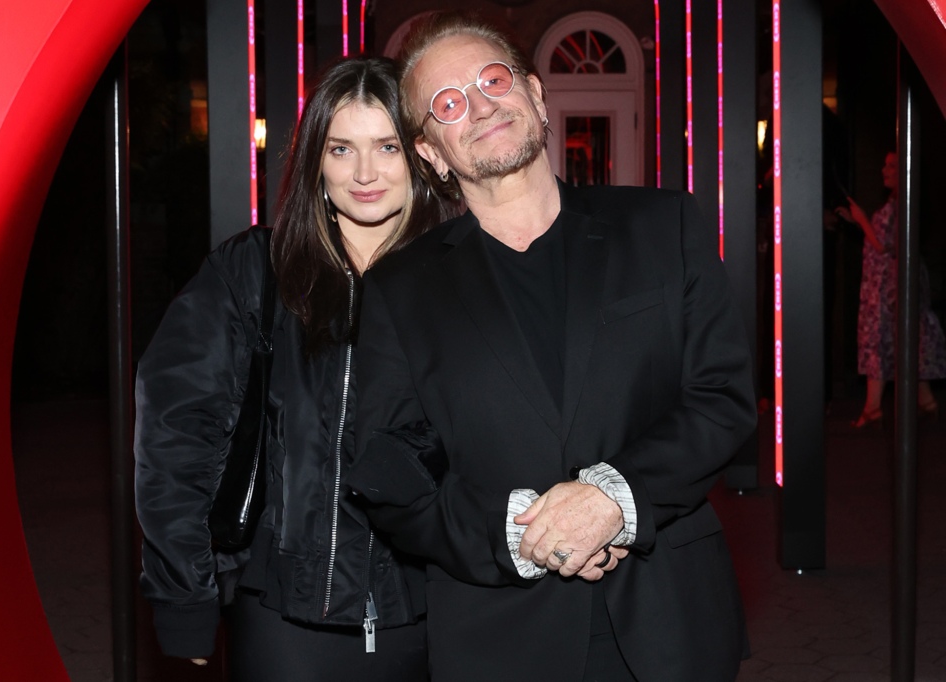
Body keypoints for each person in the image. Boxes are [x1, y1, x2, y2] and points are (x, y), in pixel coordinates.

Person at [346, 11, 756, 682]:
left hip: (670, 626)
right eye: (447, 104)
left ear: (535, 95)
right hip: (499, 639)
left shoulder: (662, 225)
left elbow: (722, 399)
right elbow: (391, 475)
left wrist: (612, 499)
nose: (478, 105)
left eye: (493, 79)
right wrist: (521, 538)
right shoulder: (400, 289)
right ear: (430, 153)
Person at [134, 56, 451, 681]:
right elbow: (175, 439)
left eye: (386, 146)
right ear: (314, 159)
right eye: (341, 148)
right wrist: (184, 596)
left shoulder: (463, 279)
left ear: (419, 153)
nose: (364, 173)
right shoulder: (253, 273)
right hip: (283, 620)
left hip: (437, 612)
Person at [837, 151, 946, 427]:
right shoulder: (897, 203)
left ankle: (875, 408)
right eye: (884, 164)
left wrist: (862, 219)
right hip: (885, 284)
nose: (884, 169)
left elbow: (889, 246)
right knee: (896, 340)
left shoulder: (904, 204)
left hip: (893, 284)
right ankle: (925, 401)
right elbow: (883, 239)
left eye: (892, 165)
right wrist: (859, 222)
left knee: (886, 339)